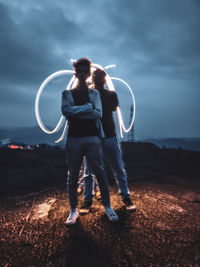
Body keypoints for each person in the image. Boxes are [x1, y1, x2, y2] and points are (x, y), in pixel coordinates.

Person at [61, 58, 118, 225]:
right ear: (76, 73)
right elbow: (66, 112)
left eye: (86, 71)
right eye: (80, 71)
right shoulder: (67, 94)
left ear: (88, 73)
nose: (83, 74)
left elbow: (98, 113)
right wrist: (87, 108)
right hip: (74, 138)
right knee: (72, 176)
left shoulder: (94, 94)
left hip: (92, 138)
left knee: (100, 173)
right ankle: (73, 211)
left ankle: (108, 207)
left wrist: (77, 111)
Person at [79, 68, 136, 215]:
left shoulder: (96, 95)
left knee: (115, 169)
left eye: (100, 77)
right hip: (96, 137)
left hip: (106, 136)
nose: (98, 80)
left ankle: (125, 197)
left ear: (102, 79)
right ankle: (90, 200)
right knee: (92, 172)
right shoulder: (97, 95)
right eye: (97, 77)